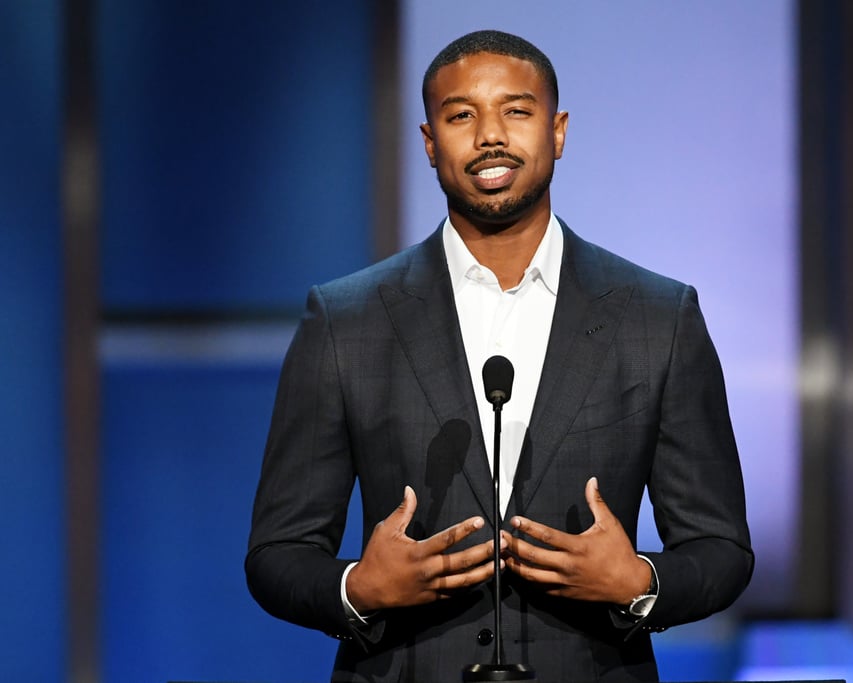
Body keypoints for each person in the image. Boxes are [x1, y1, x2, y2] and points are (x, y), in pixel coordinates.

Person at [246, 29, 753, 683]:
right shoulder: (347, 321)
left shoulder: (658, 318)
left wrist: (638, 579)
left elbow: (721, 548)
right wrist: (359, 587)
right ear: (430, 143)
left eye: (516, 110)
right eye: (461, 116)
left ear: (558, 129)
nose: (491, 136)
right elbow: (277, 552)